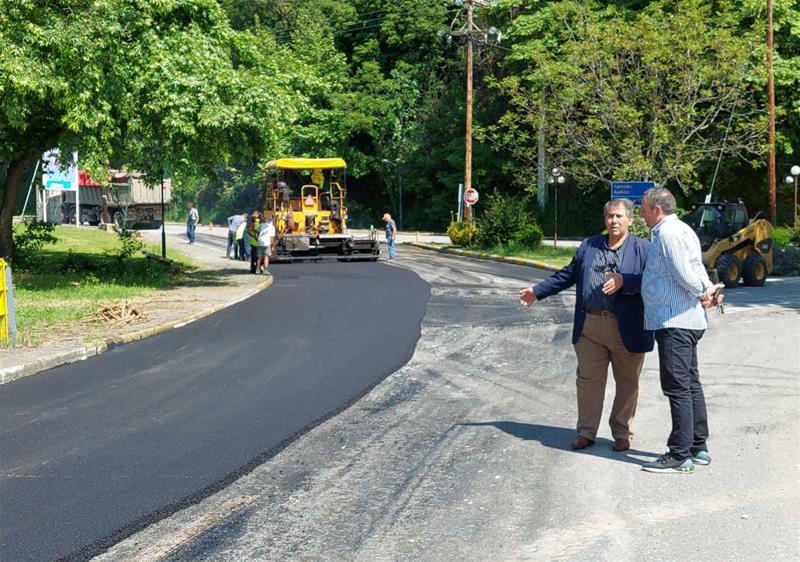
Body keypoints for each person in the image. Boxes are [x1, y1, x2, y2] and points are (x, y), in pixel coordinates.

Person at [519, 199, 654, 451]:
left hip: (628, 327)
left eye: (619, 217)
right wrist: (538, 291)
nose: (613, 221)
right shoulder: (589, 246)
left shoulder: (644, 250)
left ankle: (622, 432)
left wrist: (626, 281)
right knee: (588, 381)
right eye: (610, 216)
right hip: (590, 325)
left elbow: (654, 281)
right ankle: (586, 431)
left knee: (627, 383)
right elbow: (567, 274)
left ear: (630, 220)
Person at [639, 187, 723, 474]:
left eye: (643, 208)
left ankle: (679, 454)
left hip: (675, 321)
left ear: (656, 209)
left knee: (677, 388)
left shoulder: (669, 233)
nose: (641, 213)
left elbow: (683, 272)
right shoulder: (683, 229)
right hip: (685, 320)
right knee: (689, 384)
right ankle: (698, 447)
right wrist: (707, 289)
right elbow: (698, 268)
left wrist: (704, 292)